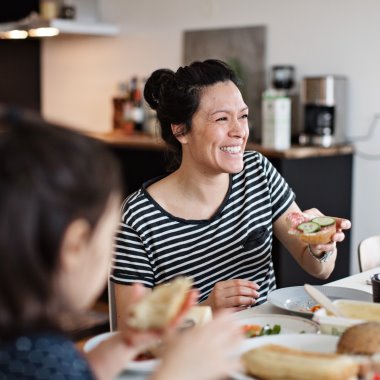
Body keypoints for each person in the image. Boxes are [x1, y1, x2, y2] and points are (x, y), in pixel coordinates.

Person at [0, 108, 243, 380]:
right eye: (109, 237)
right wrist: (178, 373)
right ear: (75, 246)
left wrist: (125, 344)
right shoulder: (37, 362)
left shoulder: (30, 343)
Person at [111, 59, 351, 328]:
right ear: (180, 130)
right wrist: (207, 309)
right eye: (222, 119)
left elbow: (320, 269)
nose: (239, 131)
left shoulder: (258, 172)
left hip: (265, 338)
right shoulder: (138, 218)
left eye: (243, 116)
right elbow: (128, 329)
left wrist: (321, 246)